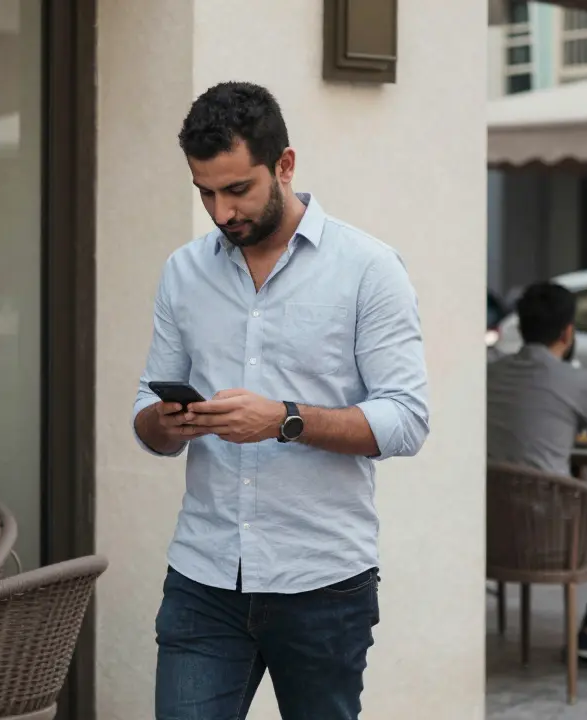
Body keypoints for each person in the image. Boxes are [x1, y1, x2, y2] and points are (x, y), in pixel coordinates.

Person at [133, 81, 429, 720]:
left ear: (285, 165)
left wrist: (284, 420)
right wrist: (168, 422)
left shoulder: (369, 269)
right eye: (205, 192)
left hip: (323, 582)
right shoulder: (183, 273)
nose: (220, 212)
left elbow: (405, 419)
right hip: (204, 576)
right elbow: (145, 416)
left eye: (237, 190)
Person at [487, 282, 587, 665]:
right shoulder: (578, 381)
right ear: (568, 331)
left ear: (521, 328)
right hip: (551, 536)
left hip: (492, 531)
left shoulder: (491, 373)